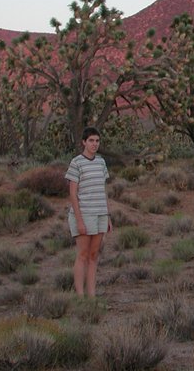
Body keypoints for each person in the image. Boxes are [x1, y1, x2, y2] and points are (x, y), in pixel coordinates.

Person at [66, 126, 112, 296]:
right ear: (84, 142)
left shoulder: (101, 162)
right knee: (83, 255)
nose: (94, 144)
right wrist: (79, 220)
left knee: (94, 255)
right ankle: (80, 295)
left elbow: (103, 190)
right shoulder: (76, 162)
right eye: (91, 140)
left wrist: (107, 215)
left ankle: (91, 295)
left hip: (100, 213)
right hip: (84, 214)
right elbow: (73, 193)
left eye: (97, 141)